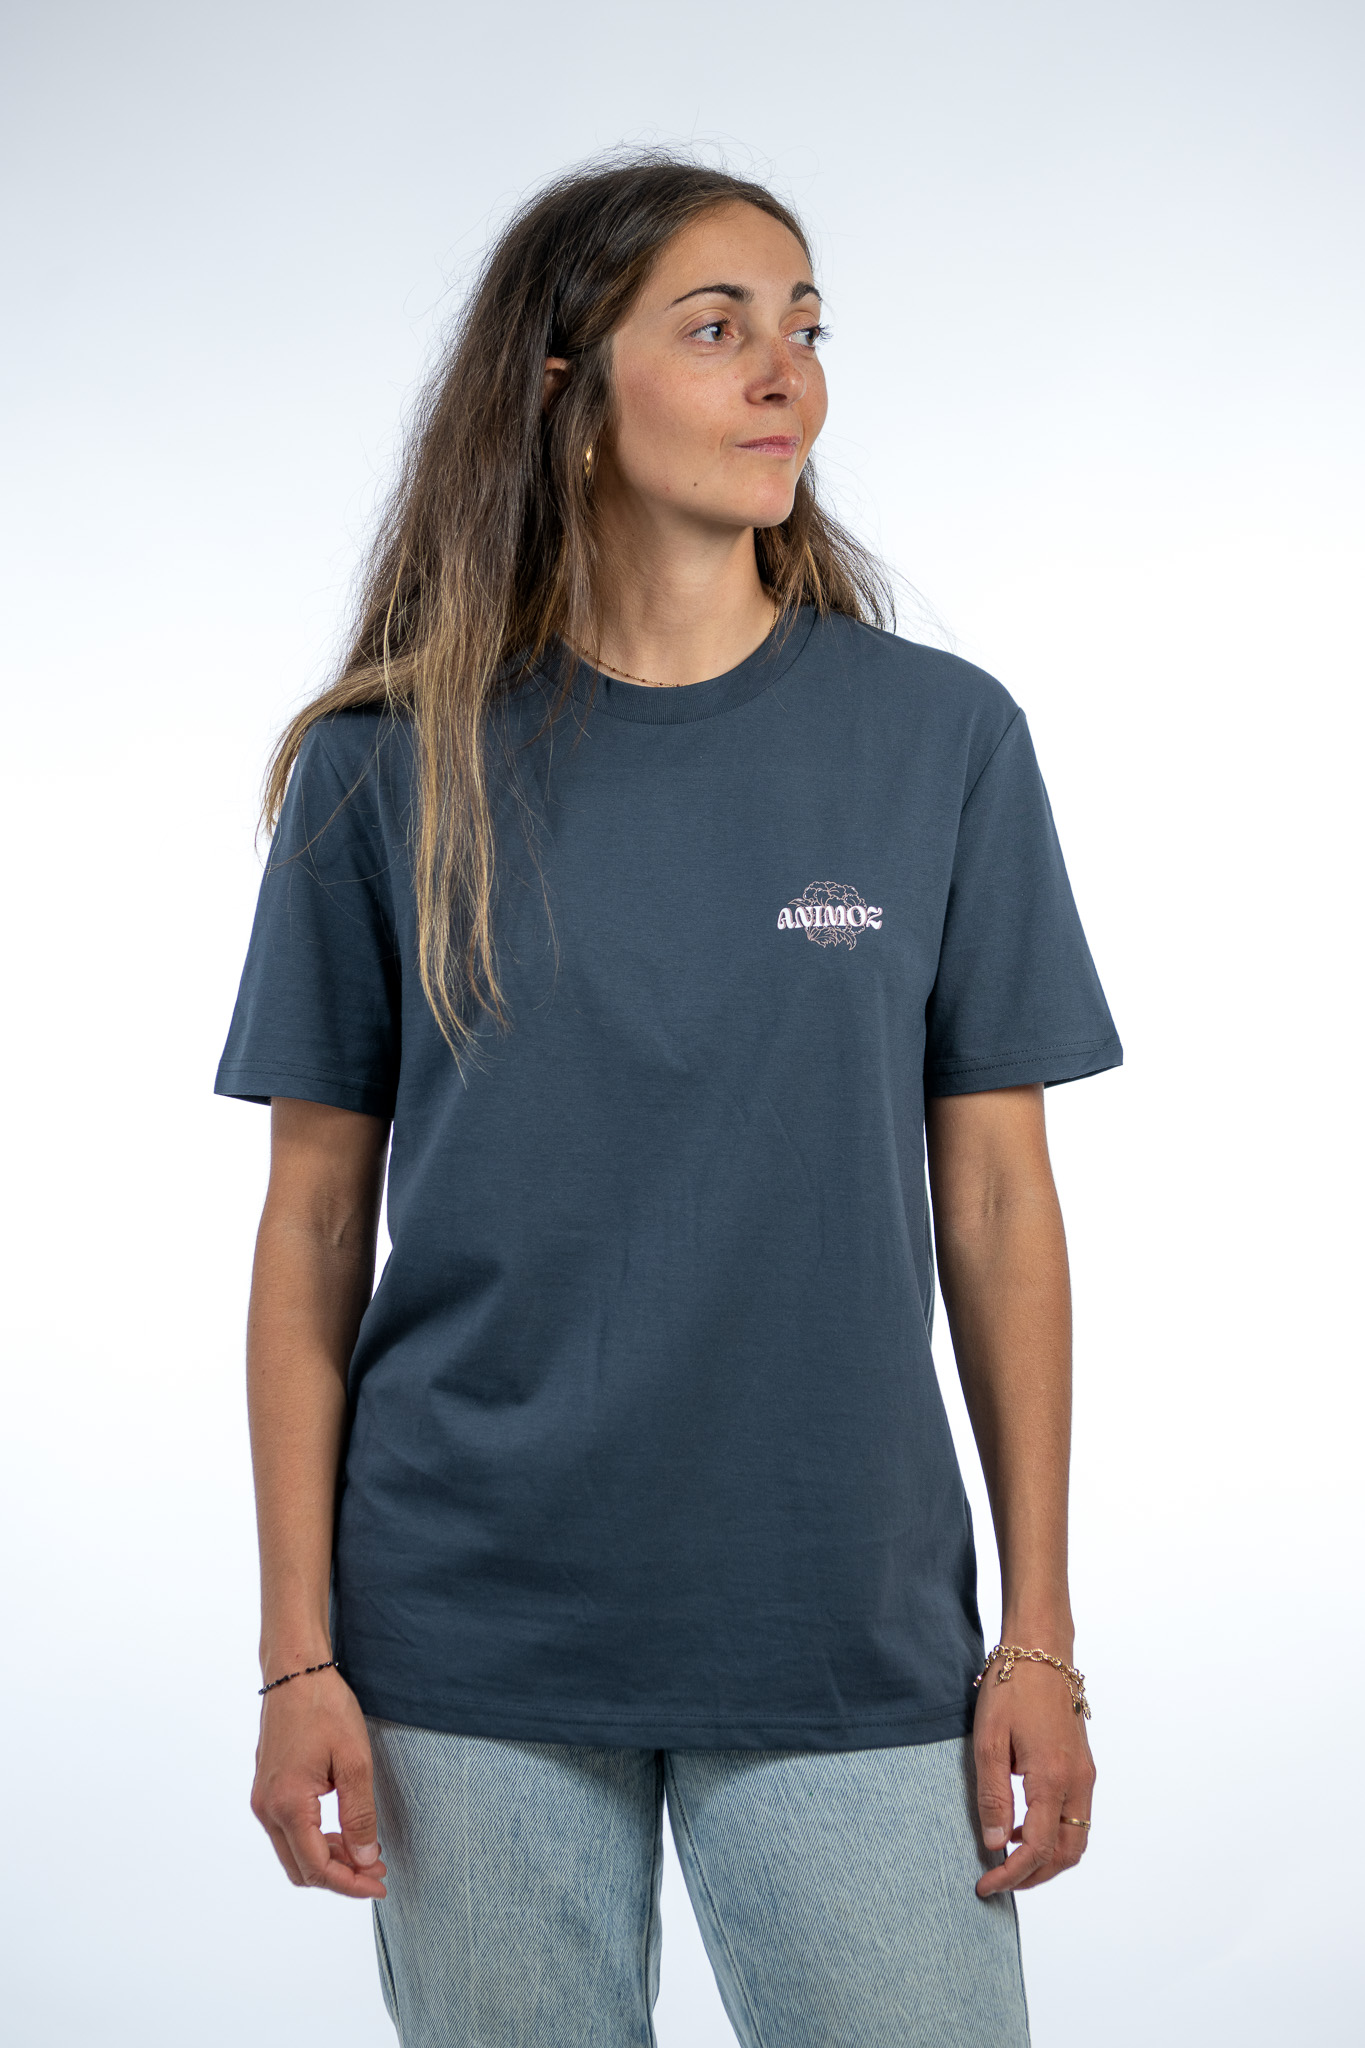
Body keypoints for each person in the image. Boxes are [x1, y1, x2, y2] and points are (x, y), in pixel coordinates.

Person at [216, 152, 1122, 2048]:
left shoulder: (939, 738)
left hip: (841, 1616)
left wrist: (1036, 1631)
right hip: (464, 1634)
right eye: (716, 330)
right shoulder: (388, 768)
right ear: (563, 384)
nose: (785, 374)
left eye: (804, 327)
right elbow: (311, 1226)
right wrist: (298, 1656)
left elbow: (998, 1204)